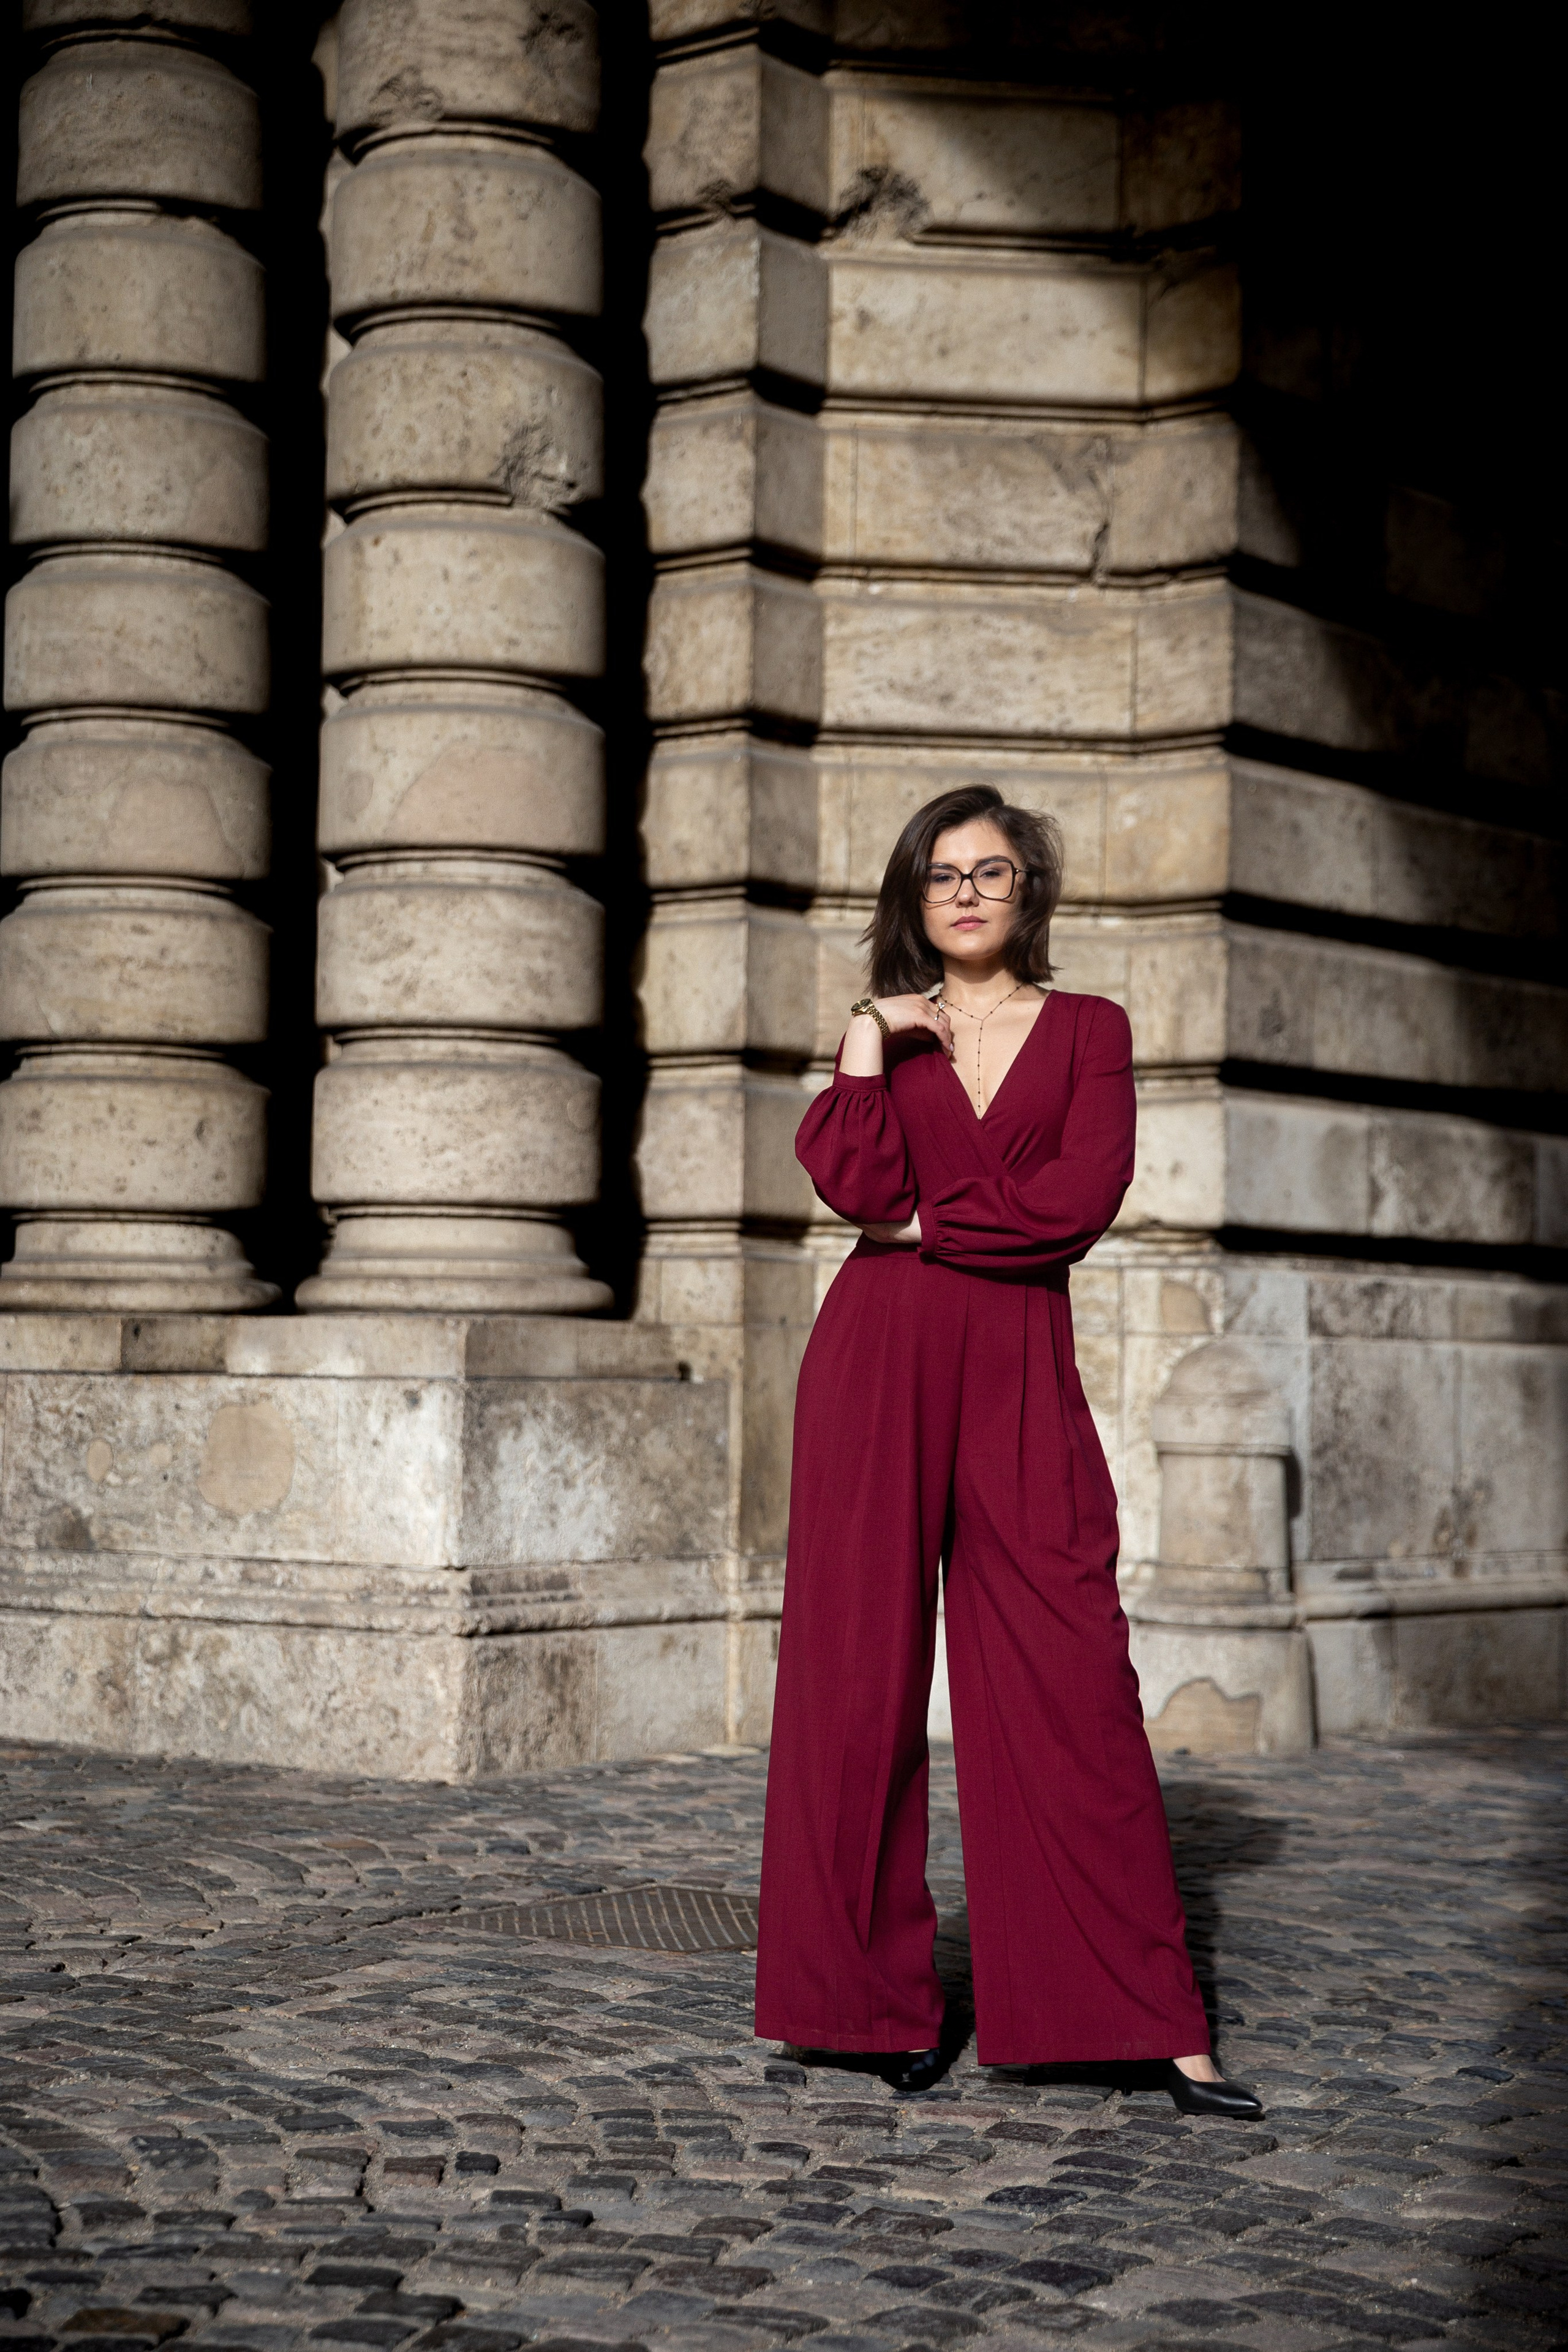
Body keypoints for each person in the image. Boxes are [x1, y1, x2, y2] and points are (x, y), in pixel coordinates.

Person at [754, 783, 1261, 2117]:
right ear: (910, 901)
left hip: (1016, 1370)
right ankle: (858, 2006)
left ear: (1028, 890)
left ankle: (1135, 2015)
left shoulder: (1090, 1029)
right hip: (873, 1366)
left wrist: (930, 1227)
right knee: (849, 1680)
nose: (967, 892)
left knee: (1070, 1669)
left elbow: (1074, 1202)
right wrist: (868, 1036)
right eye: (940, 875)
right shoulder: (893, 1037)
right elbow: (853, 1186)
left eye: (989, 872)